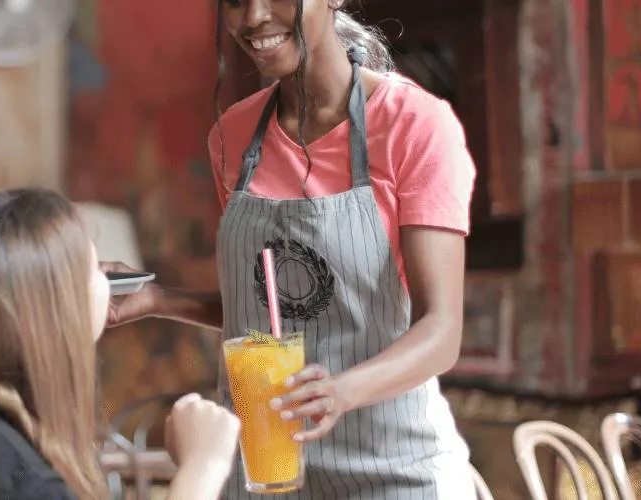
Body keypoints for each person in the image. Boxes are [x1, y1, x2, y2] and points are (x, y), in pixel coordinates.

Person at [105, 0, 478, 498]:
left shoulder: (414, 125)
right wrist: (158, 300)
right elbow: (268, 311)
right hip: (267, 466)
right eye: (236, 1)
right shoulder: (231, 138)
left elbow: (441, 331)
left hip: (394, 467)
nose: (254, 16)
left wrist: (341, 392)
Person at [0, 188, 242, 499]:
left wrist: (160, 299)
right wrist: (203, 467)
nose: (110, 278)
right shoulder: (4, 464)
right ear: (54, 309)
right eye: (95, 269)